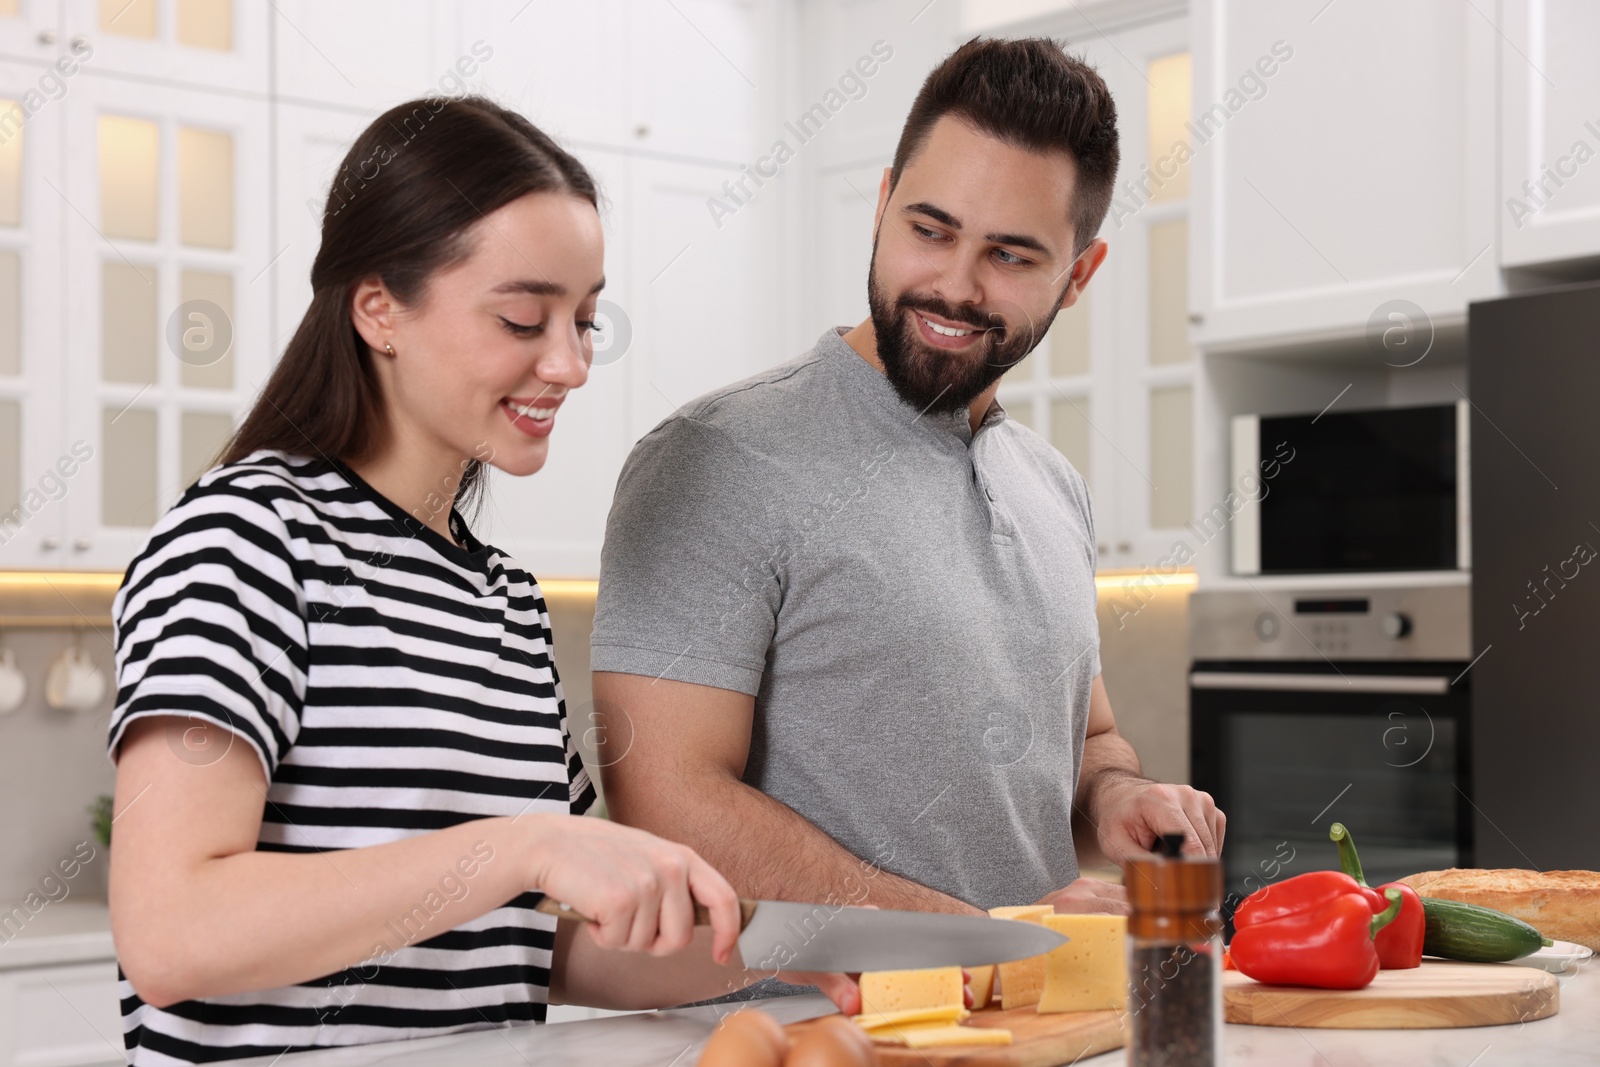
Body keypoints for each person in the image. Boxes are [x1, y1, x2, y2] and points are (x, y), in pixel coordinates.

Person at [105, 95, 850, 1065]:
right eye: (522, 317)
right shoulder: (248, 539)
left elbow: (526, 945)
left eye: (584, 320)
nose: (570, 362)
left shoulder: (501, 597)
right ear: (378, 307)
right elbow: (170, 932)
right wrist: (524, 846)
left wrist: (797, 952)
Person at [591, 38, 1226, 945]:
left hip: (1030, 1026)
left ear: (1079, 275)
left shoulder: (1054, 488)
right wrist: (979, 936)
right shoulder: (713, 461)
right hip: (792, 1033)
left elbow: (1087, 740)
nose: (954, 285)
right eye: (930, 230)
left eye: (1010, 255)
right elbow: (671, 805)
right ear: (884, 202)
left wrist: (1118, 793)